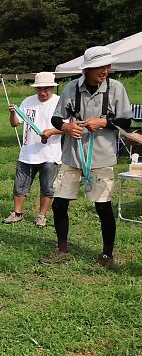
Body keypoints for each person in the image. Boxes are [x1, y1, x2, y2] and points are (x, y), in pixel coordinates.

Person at [39, 46, 133, 268]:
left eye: (108, 66)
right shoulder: (71, 88)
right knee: (59, 205)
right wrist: (66, 126)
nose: (106, 70)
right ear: (87, 69)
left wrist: (103, 122)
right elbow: (56, 119)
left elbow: (126, 122)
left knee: (103, 208)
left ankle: (107, 256)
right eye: (101, 67)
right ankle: (62, 250)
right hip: (72, 156)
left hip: (102, 157)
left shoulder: (116, 88)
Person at [3, 72, 63, 228]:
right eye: (39, 89)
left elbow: (68, 127)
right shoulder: (28, 101)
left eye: (46, 89)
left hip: (50, 154)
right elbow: (15, 124)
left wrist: (51, 132)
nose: (42, 93)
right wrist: (13, 113)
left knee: (47, 187)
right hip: (27, 153)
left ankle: (42, 216)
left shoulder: (60, 102)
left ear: (52, 87)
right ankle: (17, 213)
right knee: (20, 185)